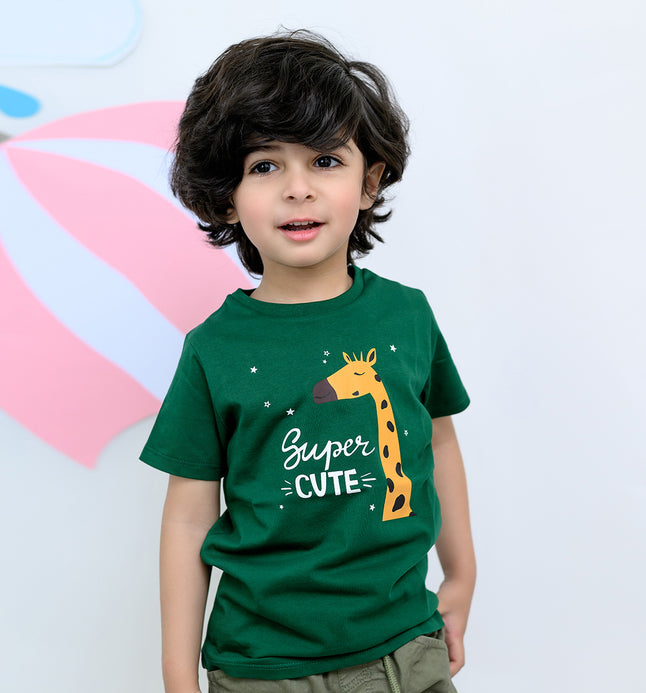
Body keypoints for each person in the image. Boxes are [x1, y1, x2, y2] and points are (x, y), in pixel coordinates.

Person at [141, 30, 476, 693]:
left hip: (407, 647)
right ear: (228, 195)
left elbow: (437, 442)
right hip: (263, 669)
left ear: (369, 181)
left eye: (324, 160)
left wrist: (462, 575)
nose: (297, 189)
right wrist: (178, 673)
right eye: (265, 166)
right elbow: (188, 516)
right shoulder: (214, 350)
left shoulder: (406, 316)